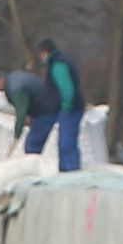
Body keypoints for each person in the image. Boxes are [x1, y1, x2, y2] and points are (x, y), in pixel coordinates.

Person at [24, 38, 87, 173]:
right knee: (65, 143)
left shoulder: (58, 65)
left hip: (70, 108)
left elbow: (67, 89)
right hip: (68, 107)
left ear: (44, 52)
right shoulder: (61, 61)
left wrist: (66, 107)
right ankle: (66, 171)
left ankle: (71, 172)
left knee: (66, 144)